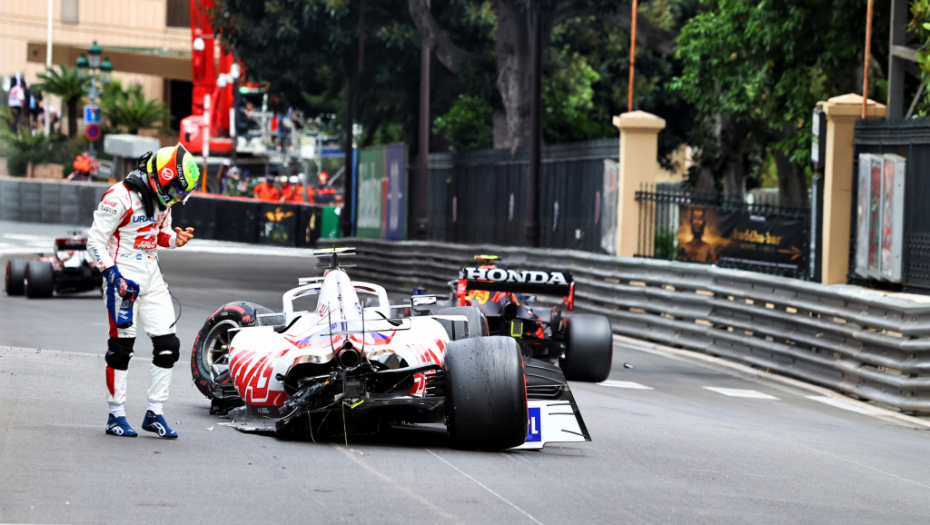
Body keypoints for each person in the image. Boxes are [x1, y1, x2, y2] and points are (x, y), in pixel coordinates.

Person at [86, 143, 200, 439]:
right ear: (161, 178)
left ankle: (155, 412)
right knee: (121, 347)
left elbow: (157, 234)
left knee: (169, 345)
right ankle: (116, 415)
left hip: (151, 273)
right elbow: (95, 242)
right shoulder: (119, 197)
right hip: (122, 275)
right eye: (176, 189)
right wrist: (113, 276)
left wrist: (176, 240)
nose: (179, 196)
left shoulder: (164, 200)